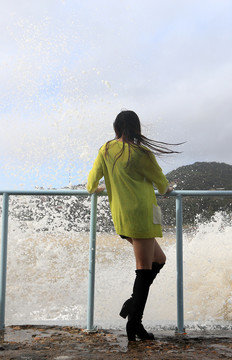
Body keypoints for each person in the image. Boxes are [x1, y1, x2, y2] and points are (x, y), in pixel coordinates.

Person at [87, 110, 181, 341]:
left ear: (116, 128)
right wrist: (168, 188)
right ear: (136, 128)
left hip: (120, 215)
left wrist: (100, 189)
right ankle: (134, 324)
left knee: (159, 260)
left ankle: (132, 303)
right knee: (144, 268)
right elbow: (161, 185)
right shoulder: (142, 153)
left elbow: (90, 184)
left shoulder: (106, 149)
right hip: (141, 214)